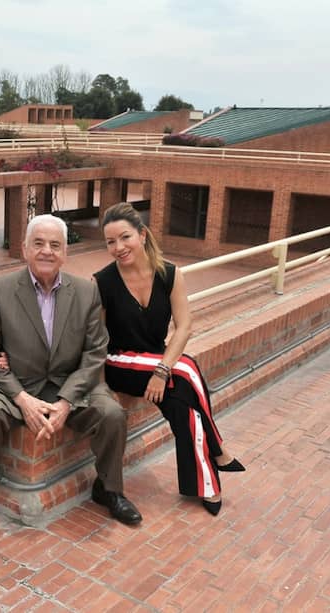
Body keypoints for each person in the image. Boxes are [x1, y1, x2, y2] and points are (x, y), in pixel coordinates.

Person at [0, 214, 142, 535]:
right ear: (25, 249)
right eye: (38, 243)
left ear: (65, 253)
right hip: (16, 385)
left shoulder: (85, 292)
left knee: (111, 414)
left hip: (69, 383)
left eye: (55, 245)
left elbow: (95, 353)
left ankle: (109, 488)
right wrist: (22, 399)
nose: (46, 251)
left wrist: (67, 401)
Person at [95, 202, 245, 516]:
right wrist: (163, 369)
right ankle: (219, 449)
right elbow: (95, 341)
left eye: (125, 238)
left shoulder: (169, 274)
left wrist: (162, 370)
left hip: (156, 364)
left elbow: (185, 325)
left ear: (142, 235)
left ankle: (206, 485)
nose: (118, 247)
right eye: (111, 241)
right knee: (187, 366)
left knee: (184, 408)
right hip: (118, 363)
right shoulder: (103, 282)